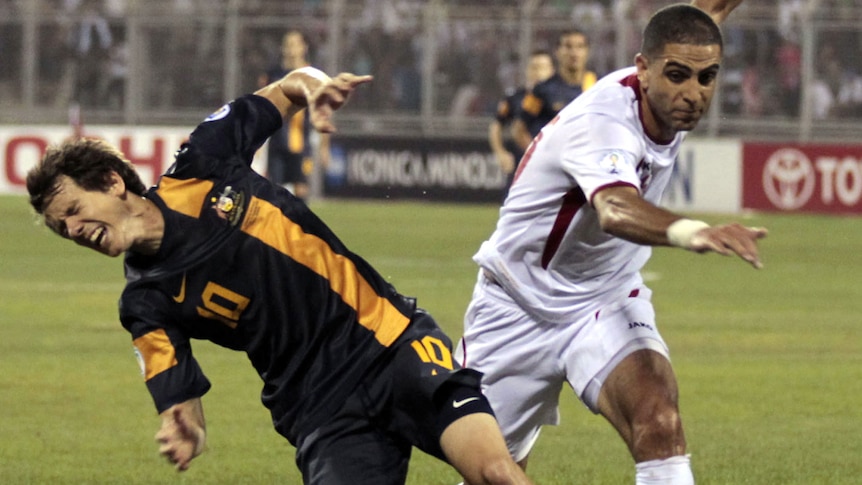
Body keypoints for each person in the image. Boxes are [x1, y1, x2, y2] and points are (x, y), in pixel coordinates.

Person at [26, 67, 532, 485]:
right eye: (59, 227)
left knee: (494, 473)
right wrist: (185, 428)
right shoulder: (143, 304)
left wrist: (314, 86)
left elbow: (289, 86)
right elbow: (178, 399)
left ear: (113, 182)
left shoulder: (204, 161)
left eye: (72, 209)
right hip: (318, 407)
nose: (71, 229)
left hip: (390, 342)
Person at [455, 1, 757, 484]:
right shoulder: (605, 122)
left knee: (659, 418)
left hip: (604, 298)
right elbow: (615, 209)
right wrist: (693, 231)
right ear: (642, 69)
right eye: (677, 75)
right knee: (493, 475)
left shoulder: (673, 68)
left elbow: (701, 16)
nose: (693, 93)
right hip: (515, 305)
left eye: (707, 78)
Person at [257, 29, 329, 201]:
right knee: (273, 190)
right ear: (282, 48)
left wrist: (325, 145)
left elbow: (323, 111)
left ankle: (300, 227)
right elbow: (260, 108)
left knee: (301, 190)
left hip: (301, 144)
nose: (291, 49)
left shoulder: (312, 75)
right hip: (277, 142)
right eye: (288, 45)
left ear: (303, 48)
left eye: (295, 44)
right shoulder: (272, 75)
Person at [512, 29, 596, 151]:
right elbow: (519, 129)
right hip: (555, 164)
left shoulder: (597, 85)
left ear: (587, 52)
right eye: (568, 46)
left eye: (580, 47)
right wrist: (537, 156)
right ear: (557, 52)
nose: (574, 53)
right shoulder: (543, 89)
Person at [488, 50, 554, 196]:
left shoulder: (561, 99)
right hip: (521, 167)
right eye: (533, 67)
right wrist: (500, 153)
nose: (537, 72)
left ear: (552, 71)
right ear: (527, 70)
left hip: (552, 168)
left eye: (542, 67)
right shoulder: (516, 98)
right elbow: (496, 125)